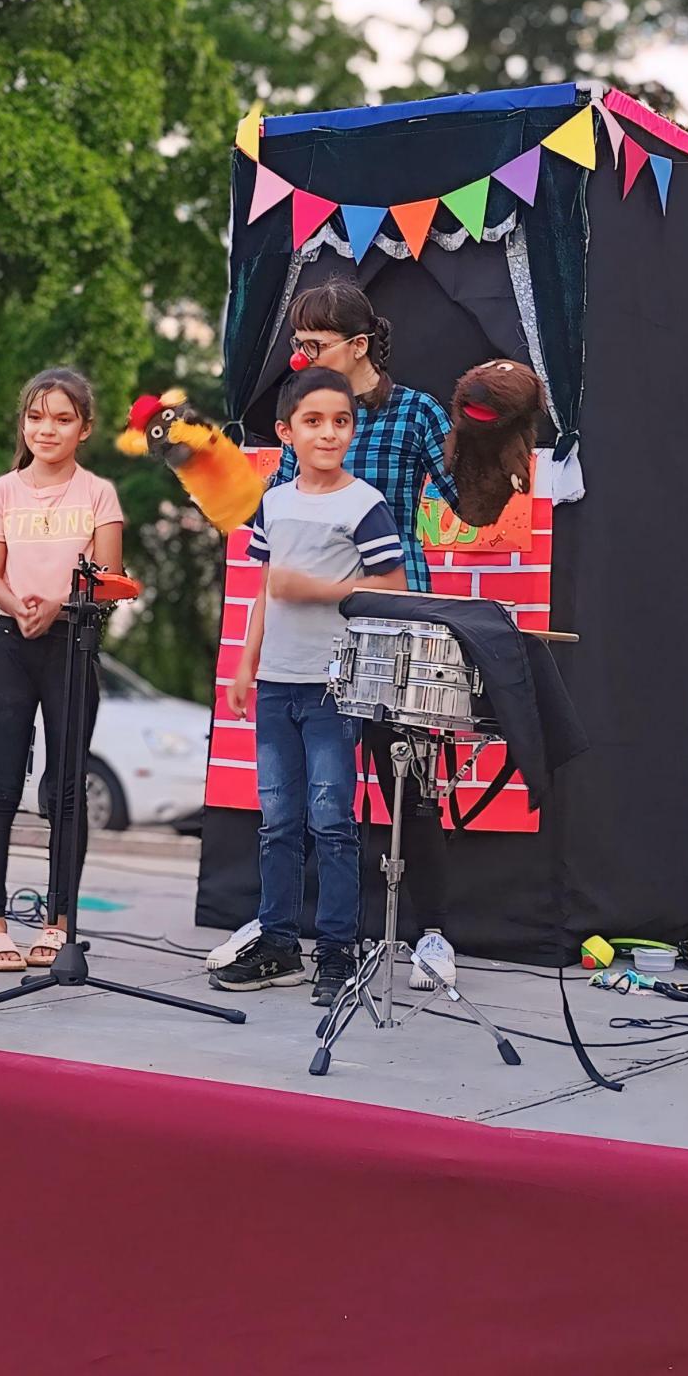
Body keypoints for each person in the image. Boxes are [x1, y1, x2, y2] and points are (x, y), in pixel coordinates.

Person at [209, 280, 464, 988]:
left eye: (314, 344)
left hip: (394, 626)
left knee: (407, 779)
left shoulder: (415, 411)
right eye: (296, 344)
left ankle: (430, 932)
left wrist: (491, 439)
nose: (301, 356)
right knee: (307, 801)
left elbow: (466, 501)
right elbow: (281, 538)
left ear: (357, 345)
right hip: (312, 647)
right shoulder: (305, 424)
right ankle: (286, 930)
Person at [214, 367, 406, 1006]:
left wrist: (318, 590)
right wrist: (246, 664)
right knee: (277, 821)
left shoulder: (363, 504)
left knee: (331, 821)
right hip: (277, 683)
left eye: (341, 421)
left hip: (333, 686)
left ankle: (337, 951)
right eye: (314, 421)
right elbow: (265, 592)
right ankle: (277, 943)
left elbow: (393, 588)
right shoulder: (274, 502)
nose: (329, 433)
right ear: (286, 431)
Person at [0, 368, 124, 973]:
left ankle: (59, 924)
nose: (47, 429)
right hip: (12, 643)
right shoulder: (0, 493)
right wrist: (20, 607)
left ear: (84, 428)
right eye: (36, 417)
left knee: (65, 790)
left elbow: (108, 578)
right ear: (24, 423)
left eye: (62, 418)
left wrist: (59, 604)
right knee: (0, 786)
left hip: (72, 645)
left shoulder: (98, 494)